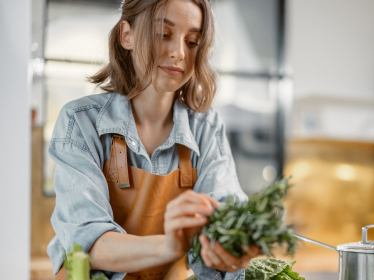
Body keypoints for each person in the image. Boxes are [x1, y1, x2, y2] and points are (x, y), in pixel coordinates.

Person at [47, 0, 259, 279]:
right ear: (127, 35)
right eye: (163, 34)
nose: (179, 52)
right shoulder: (79, 122)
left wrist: (233, 243)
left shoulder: (207, 129)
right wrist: (170, 246)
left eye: (192, 41)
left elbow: (226, 213)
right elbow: (87, 241)